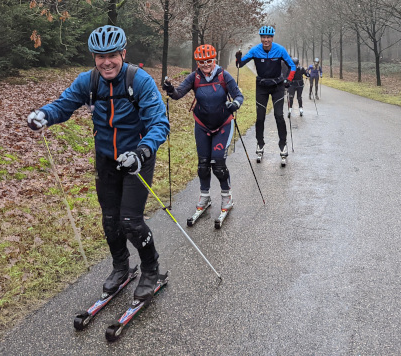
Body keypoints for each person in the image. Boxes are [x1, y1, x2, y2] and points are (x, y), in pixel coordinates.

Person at [26, 25, 170, 301]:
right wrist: (43, 115)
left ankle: (151, 269)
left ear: (123, 53)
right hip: (106, 159)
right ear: (93, 57)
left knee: (131, 221)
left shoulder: (139, 80)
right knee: (110, 220)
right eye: (100, 56)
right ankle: (121, 267)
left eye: (112, 55)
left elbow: (160, 123)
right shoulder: (88, 81)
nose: (106, 62)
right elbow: (64, 105)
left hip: (136, 160)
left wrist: (142, 152)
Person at [163, 44, 244, 214]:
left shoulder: (224, 75)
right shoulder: (194, 78)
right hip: (201, 124)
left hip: (223, 124)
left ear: (214, 60)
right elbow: (178, 94)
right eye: (201, 62)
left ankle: (226, 196)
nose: (206, 64)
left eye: (209, 61)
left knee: (218, 163)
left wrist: (234, 105)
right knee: (203, 164)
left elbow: (239, 96)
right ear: (197, 63)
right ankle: (205, 195)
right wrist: (170, 89)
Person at [235, 25, 295, 163]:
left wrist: (289, 80)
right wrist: (238, 58)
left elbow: (292, 66)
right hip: (261, 86)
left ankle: (283, 145)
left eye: (268, 37)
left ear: (272, 38)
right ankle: (260, 144)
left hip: (277, 86)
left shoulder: (279, 49)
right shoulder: (255, 50)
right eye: (263, 37)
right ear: (261, 38)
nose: (266, 40)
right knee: (260, 118)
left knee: (279, 116)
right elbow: (240, 65)